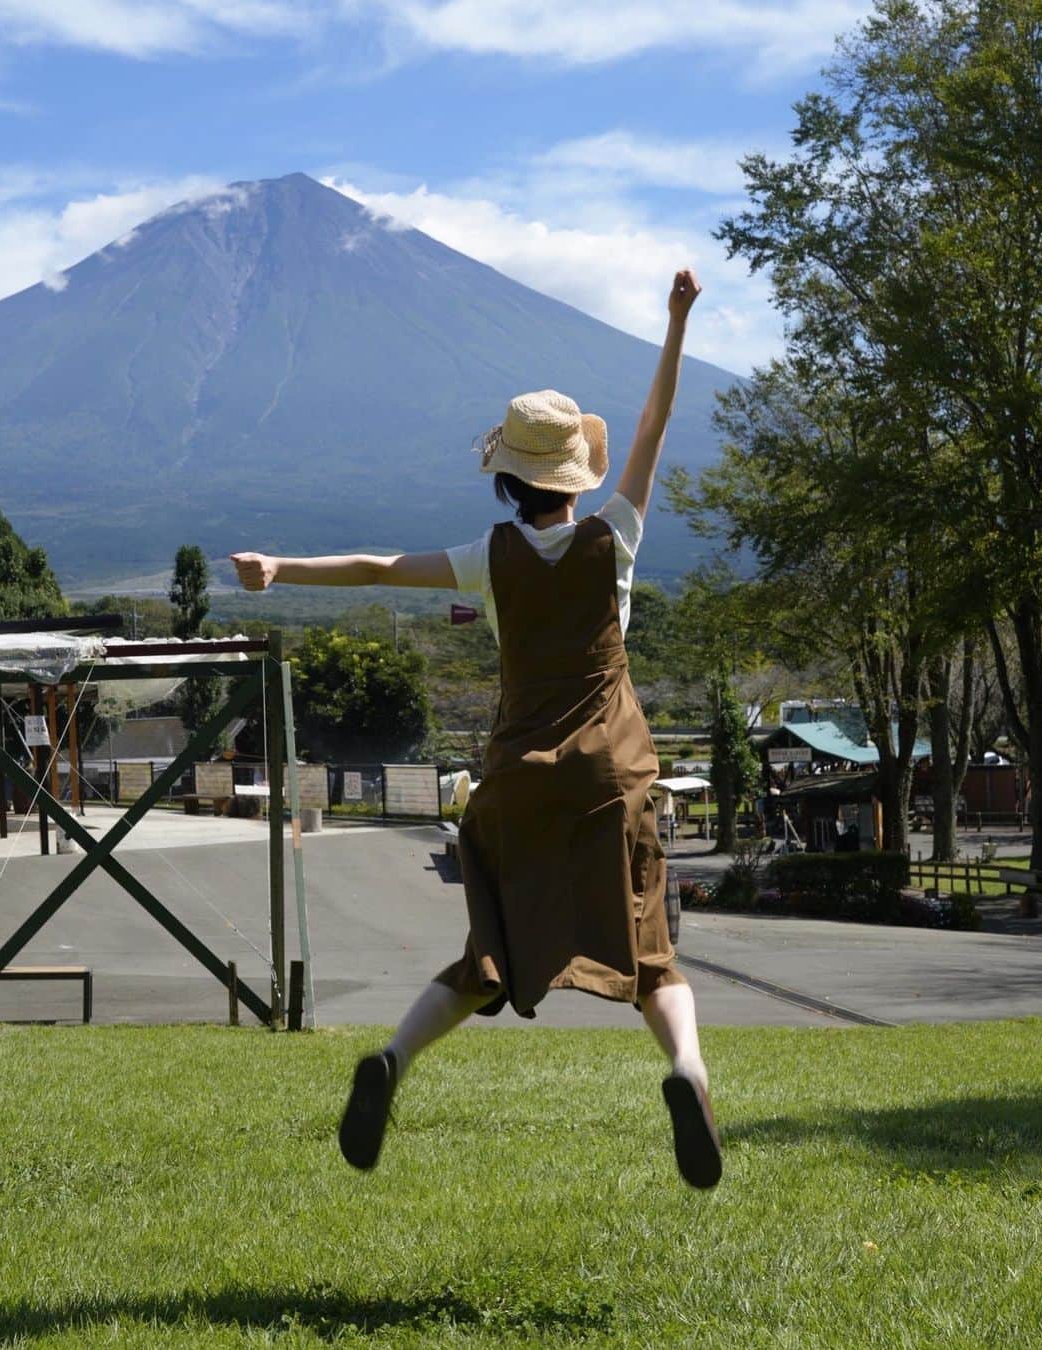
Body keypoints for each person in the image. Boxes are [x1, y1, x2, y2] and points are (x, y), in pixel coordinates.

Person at [231, 270, 721, 1190]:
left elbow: (377, 567)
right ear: (579, 477)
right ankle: (688, 1073)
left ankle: (392, 1059)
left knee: (488, 956)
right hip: (608, 779)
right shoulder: (614, 539)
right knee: (651, 955)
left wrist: (279, 565)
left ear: (507, 479)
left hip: (514, 785)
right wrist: (675, 320)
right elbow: (653, 429)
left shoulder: (485, 560)